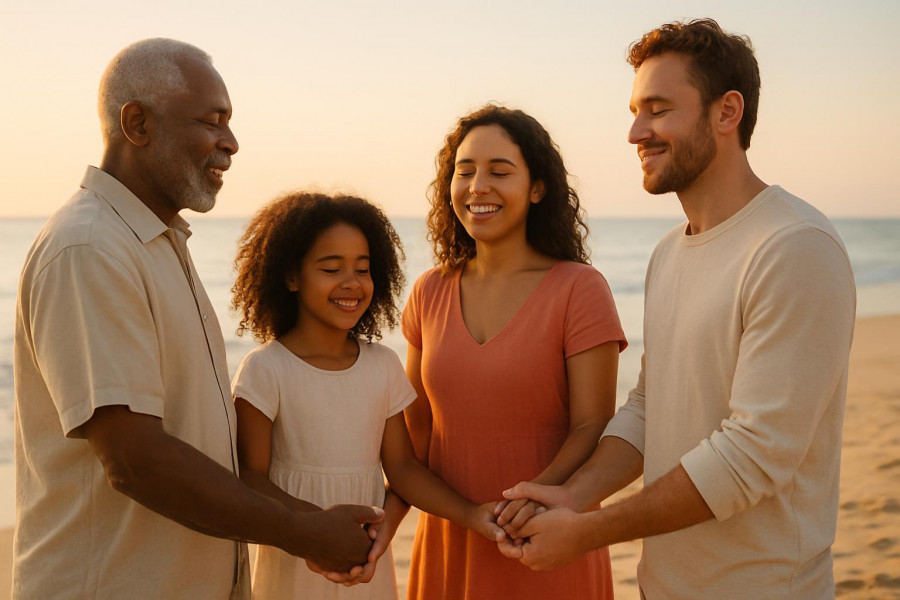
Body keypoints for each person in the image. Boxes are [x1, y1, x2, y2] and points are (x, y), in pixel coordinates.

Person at [500, 18, 856, 599]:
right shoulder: (670, 251)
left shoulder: (794, 248)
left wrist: (589, 532)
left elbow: (752, 456)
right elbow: (651, 405)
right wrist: (577, 493)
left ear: (727, 112)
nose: (636, 132)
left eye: (659, 109)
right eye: (636, 110)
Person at [13, 39, 381, 599]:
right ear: (136, 123)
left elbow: (199, 442)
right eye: (212, 122)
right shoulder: (90, 248)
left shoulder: (157, 243)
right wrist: (306, 533)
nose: (230, 144)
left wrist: (316, 517)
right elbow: (137, 460)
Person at [230, 192, 507, 599]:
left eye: (363, 269)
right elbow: (249, 477)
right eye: (331, 268)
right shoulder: (265, 369)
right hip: (294, 563)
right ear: (291, 277)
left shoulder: (382, 366)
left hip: (367, 561)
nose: (351, 283)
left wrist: (470, 515)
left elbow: (403, 469)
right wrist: (317, 530)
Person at [401, 104, 627, 599]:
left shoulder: (579, 288)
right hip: (450, 541)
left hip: (548, 537)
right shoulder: (429, 292)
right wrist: (378, 524)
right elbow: (414, 439)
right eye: (465, 172)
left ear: (537, 188)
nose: (478, 186)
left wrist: (529, 502)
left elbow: (593, 424)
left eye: (500, 171)